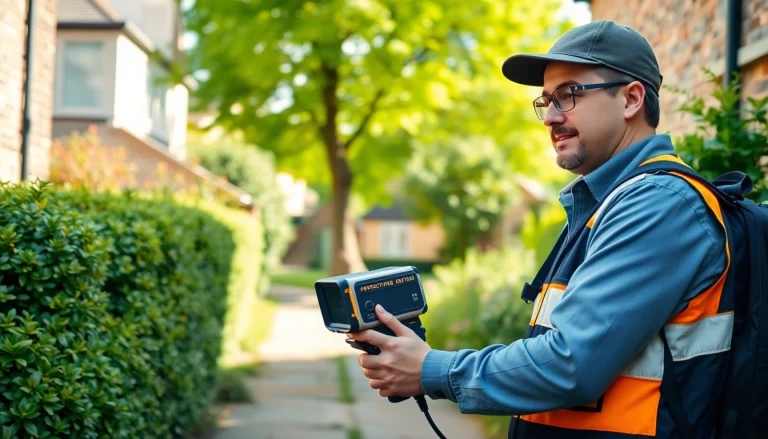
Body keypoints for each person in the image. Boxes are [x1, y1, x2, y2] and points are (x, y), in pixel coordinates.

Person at [347, 20, 735, 438]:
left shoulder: (658, 205)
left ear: (631, 99)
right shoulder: (606, 202)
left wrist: (431, 369)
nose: (549, 117)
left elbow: (570, 364)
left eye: (568, 95)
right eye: (546, 100)